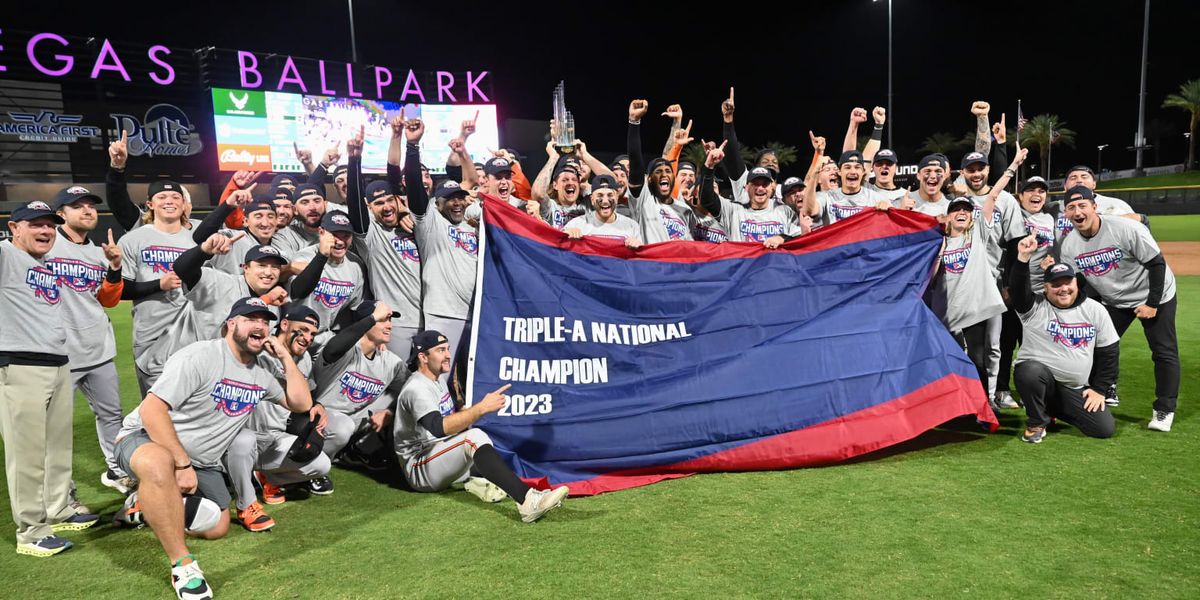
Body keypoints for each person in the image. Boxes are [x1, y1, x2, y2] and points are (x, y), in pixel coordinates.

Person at [111, 297, 313, 599]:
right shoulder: (200, 356)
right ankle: (183, 566)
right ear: (231, 324)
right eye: (250, 319)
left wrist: (284, 356)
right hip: (146, 439)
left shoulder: (260, 374)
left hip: (202, 462)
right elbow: (152, 411)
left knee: (216, 526)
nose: (260, 325)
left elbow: (301, 403)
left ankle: (142, 504)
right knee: (158, 464)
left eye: (265, 320)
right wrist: (181, 464)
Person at [1, 200, 101, 558]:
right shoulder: (5, 255)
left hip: (58, 362)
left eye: (49, 225)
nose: (44, 231)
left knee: (58, 446)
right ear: (14, 228)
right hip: (20, 364)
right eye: (34, 224)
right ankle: (31, 530)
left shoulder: (42, 262)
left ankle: (58, 509)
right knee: (27, 454)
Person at [394, 330, 569, 522]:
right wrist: (480, 409)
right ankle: (528, 502)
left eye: (448, 349)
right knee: (474, 437)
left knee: (483, 446)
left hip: (437, 454)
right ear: (422, 357)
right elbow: (438, 428)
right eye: (440, 350)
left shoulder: (437, 378)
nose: (448, 355)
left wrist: (467, 413)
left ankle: (480, 481)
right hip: (420, 467)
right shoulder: (417, 388)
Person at [1058, 185, 1179, 431]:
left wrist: (1152, 304)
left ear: (1094, 207)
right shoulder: (1070, 244)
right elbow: (1080, 283)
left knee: (1163, 351)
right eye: (1071, 207)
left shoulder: (1125, 228)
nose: (1077, 211)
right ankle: (1097, 393)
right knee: (1091, 345)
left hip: (1156, 293)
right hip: (1115, 300)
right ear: (1066, 214)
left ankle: (1164, 409)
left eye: (1082, 205)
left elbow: (1157, 264)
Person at [46, 186, 133, 494]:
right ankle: (61, 490)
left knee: (111, 415)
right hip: (57, 352)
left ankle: (116, 471)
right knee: (54, 427)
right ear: (60, 214)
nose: (87, 210)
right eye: (77, 206)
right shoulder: (46, 245)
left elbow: (108, 300)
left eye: (91, 206)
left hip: (98, 349)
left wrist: (114, 267)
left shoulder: (99, 253)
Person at [225, 305, 332, 531]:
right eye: (302, 330)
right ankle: (245, 500)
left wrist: (318, 404)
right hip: (236, 437)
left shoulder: (303, 360)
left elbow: (304, 398)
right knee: (243, 441)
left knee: (321, 464)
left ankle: (265, 476)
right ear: (284, 325)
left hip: (273, 437)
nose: (307, 338)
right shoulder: (257, 348)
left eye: (312, 334)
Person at [1010, 240, 1118, 443]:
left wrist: (1099, 389)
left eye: (1068, 282)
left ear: (1076, 283)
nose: (1063, 289)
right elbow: (1017, 290)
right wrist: (1023, 258)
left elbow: (1109, 352)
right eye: (1056, 284)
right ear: (1045, 287)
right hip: (1040, 380)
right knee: (1029, 371)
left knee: (1104, 429)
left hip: (1074, 388)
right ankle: (1037, 421)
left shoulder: (1094, 310)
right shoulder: (1033, 308)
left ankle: (1049, 408)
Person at [938, 147, 1027, 391]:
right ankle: (957, 396)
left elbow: (992, 197)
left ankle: (987, 396)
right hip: (951, 304)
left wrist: (1013, 165)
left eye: (966, 211)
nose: (962, 214)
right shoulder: (941, 240)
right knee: (954, 352)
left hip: (983, 295)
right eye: (956, 210)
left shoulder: (978, 232)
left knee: (987, 350)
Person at [403, 114, 478, 382]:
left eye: (460, 199)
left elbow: (475, 186)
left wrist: (464, 147)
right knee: (437, 379)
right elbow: (413, 187)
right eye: (450, 200)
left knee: (473, 380)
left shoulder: (472, 227)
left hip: (476, 312)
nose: (457, 204)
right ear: (438, 203)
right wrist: (412, 147)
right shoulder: (430, 223)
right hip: (443, 313)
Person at [310, 300, 410, 491]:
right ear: (367, 322)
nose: (389, 325)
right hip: (317, 419)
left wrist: (390, 412)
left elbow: (414, 391)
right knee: (342, 427)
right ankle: (310, 470)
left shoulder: (390, 361)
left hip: (350, 421)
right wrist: (372, 318)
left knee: (398, 403)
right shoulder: (345, 348)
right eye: (383, 320)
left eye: (389, 320)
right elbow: (333, 348)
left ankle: (356, 450)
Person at [347, 126, 422, 355]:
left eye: (390, 200)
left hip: (429, 318)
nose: (387, 206)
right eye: (379, 203)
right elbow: (355, 208)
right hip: (395, 323)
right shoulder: (370, 236)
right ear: (370, 207)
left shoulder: (413, 226)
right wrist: (354, 162)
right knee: (397, 385)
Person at [698, 144, 809, 246]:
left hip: (775, 267)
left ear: (771, 188)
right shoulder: (733, 210)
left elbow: (798, 237)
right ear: (746, 187)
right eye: (755, 184)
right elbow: (707, 200)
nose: (760, 188)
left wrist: (782, 238)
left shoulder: (784, 211)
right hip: (743, 266)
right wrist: (709, 166)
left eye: (765, 184)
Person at [626, 99, 697, 242]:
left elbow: (669, 158)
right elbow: (636, 165)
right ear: (649, 179)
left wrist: (677, 122)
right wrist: (634, 122)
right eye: (658, 172)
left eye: (668, 171)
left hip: (678, 263)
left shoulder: (684, 208)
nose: (664, 174)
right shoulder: (644, 201)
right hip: (653, 263)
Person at [289, 212, 367, 341]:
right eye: (334, 235)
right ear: (321, 232)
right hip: (295, 332)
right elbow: (298, 292)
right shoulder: (304, 256)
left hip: (324, 335)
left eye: (346, 236)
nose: (340, 242)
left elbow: (355, 310)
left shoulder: (355, 265)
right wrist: (322, 255)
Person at [802, 147, 888, 226]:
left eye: (857, 167)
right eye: (847, 167)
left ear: (863, 172)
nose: (853, 171)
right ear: (839, 172)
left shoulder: (876, 198)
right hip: (837, 243)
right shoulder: (826, 197)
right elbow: (809, 211)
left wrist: (888, 209)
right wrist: (815, 172)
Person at [563, 175, 643, 246]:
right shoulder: (577, 224)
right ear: (592, 199)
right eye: (600, 195)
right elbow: (558, 243)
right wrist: (567, 234)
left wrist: (637, 245)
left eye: (610, 195)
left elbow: (640, 259)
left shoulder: (631, 226)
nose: (605, 201)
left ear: (617, 197)